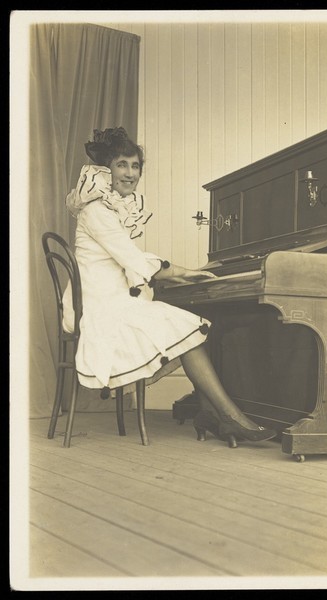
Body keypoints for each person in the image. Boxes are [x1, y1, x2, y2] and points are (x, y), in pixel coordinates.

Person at [63, 127, 277, 448]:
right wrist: (187, 273)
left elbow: (135, 260)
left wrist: (185, 274)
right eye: (122, 165)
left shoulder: (110, 209)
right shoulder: (97, 210)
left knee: (188, 324)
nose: (130, 173)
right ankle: (229, 416)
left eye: (136, 166)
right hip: (100, 308)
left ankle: (212, 414)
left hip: (112, 301)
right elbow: (134, 260)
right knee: (186, 326)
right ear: (106, 170)